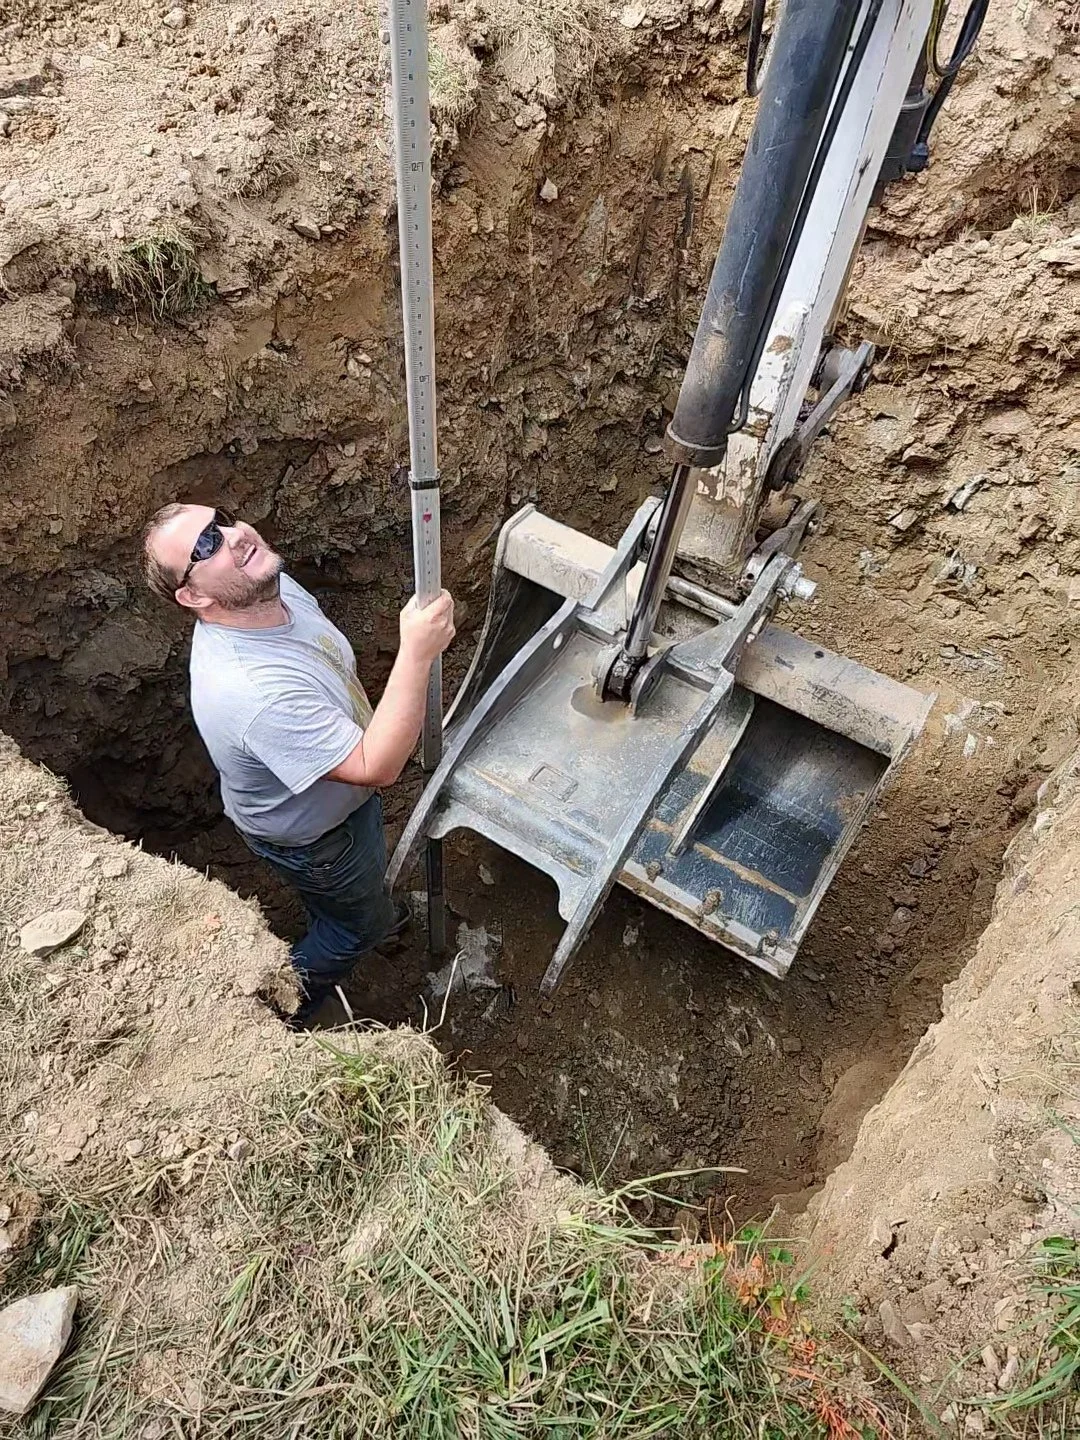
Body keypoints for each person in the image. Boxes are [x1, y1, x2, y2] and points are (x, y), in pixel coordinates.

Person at [139, 502, 455, 1024]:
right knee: (352, 930)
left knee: (349, 894)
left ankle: (357, 906)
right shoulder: (252, 690)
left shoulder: (272, 592)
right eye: (205, 546)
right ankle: (280, 1007)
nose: (234, 535)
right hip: (318, 838)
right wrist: (417, 655)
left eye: (223, 518)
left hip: (327, 810)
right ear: (193, 596)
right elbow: (375, 765)